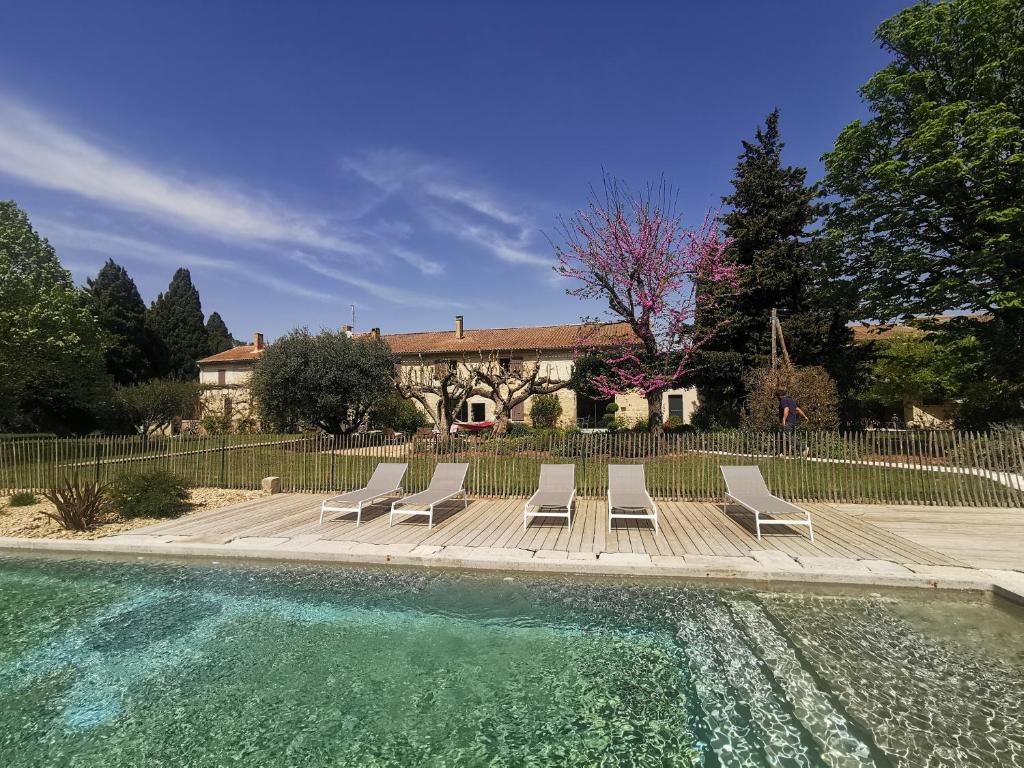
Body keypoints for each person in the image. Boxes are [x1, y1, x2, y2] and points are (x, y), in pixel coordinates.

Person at [778, 389, 808, 454]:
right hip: (793, 421)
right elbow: (798, 409)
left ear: (780, 396)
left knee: (786, 436)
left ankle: (803, 448)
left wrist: (783, 419)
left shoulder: (783, 400)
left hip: (788, 421)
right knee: (785, 436)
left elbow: (786, 409)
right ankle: (783, 452)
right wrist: (805, 416)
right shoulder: (791, 400)